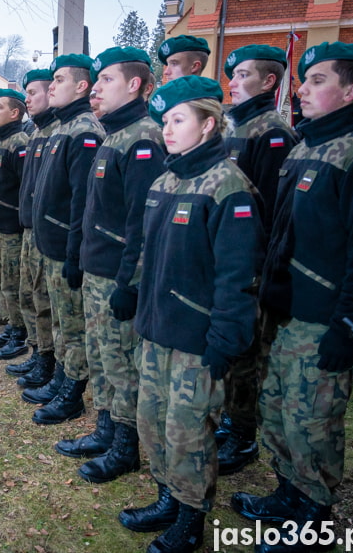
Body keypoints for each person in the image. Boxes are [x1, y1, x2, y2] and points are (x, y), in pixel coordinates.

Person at [232, 42, 353, 553]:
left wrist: (348, 326)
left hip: (322, 318)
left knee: (313, 421)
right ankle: (288, 496)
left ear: (352, 90)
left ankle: (313, 522)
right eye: (306, 79)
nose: (303, 89)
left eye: (318, 80)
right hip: (283, 307)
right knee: (277, 409)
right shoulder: (303, 147)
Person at [119, 76, 262, 552]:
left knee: (188, 432)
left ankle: (191, 516)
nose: (167, 130)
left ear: (208, 124)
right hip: (156, 329)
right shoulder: (164, 180)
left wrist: (226, 338)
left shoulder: (228, 187)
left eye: (178, 120)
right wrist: (131, 290)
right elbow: (144, 252)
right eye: (164, 122)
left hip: (197, 340)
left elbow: (237, 275)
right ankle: (167, 496)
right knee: (153, 421)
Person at [65, 47, 167, 486]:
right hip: (98, 271)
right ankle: (106, 429)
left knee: (122, 363)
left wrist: (130, 281)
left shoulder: (143, 138)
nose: (96, 89)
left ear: (134, 85)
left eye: (106, 80)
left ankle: (125, 447)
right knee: (104, 357)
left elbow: (141, 222)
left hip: (117, 277)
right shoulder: (116, 134)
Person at [217, 44, 298, 476]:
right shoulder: (236, 125)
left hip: (253, 263)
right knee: (233, 351)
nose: (233, 81)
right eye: (233, 74)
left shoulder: (272, 133)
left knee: (248, 354)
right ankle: (231, 422)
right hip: (229, 258)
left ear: (269, 82)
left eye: (243, 75)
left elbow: (267, 208)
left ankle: (243, 435)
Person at [28, 53, 105, 425]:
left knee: (73, 325)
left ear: (81, 86)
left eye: (58, 80)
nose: (51, 85)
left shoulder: (85, 130)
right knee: (61, 320)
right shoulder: (63, 127)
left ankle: (72, 392)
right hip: (50, 246)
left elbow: (81, 202)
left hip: (65, 249)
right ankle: (61, 378)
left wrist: (74, 254)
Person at [6, 68, 60, 389]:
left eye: (33, 94)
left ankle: (49, 362)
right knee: (30, 294)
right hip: (28, 226)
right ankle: (38, 353)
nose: (28, 100)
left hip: (44, 232)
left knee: (43, 300)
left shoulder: (55, 132)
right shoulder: (38, 133)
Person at [0, 89, 30, 359]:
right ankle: (11, 326)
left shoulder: (19, 143)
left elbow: (25, 188)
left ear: (14, 113)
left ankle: (20, 333)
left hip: (12, 227)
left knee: (13, 284)